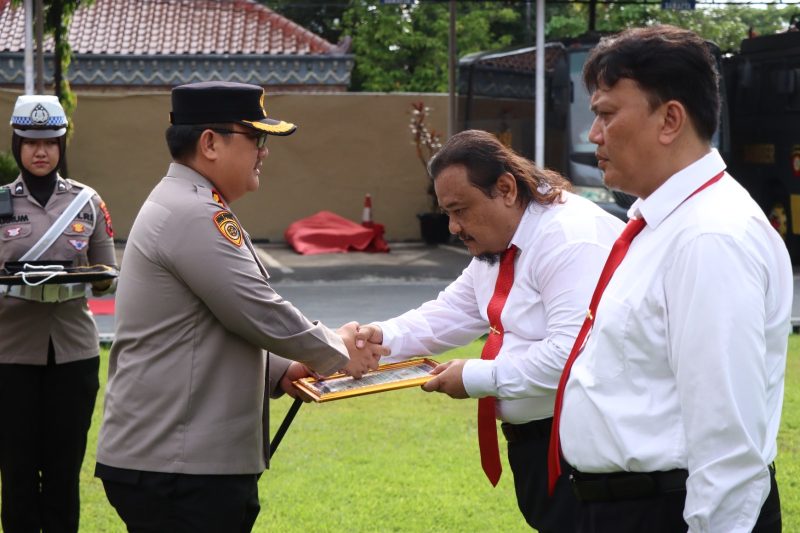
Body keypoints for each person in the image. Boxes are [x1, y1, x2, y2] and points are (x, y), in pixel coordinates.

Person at [95, 81, 387, 533]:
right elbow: (257, 309)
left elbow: (210, 326)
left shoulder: (190, 205)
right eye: (257, 138)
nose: (264, 151)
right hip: (178, 469)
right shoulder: (194, 212)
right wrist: (335, 347)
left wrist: (284, 368)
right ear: (210, 143)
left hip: (176, 461)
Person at [551, 25, 792, 532]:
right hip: (623, 506)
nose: (593, 134)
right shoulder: (665, 223)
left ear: (670, 120)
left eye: (607, 113)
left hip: (662, 511)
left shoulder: (709, 236)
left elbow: (728, 447)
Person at [351, 129, 624, 532]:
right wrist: (378, 337)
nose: (453, 227)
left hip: (587, 449)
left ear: (506, 188)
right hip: (546, 446)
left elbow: (572, 355)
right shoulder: (505, 238)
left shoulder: (569, 237)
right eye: (447, 212)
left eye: (460, 210)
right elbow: (452, 311)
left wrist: (478, 377)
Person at [0, 94, 117, 532]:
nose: (41, 151)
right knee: (16, 472)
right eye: (30, 142)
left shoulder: (87, 202)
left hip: (73, 355)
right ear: (17, 144)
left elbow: (107, 274)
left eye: (50, 141)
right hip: (10, 355)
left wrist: (83, 277)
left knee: (64, 471)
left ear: (63, 144)